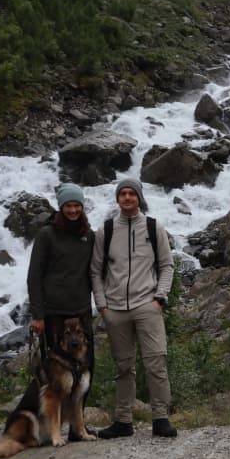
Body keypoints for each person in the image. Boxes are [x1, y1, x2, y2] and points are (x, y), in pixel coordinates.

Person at [90, 177, 177, 438]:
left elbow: (167, 265)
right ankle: (123, 421)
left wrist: (159, 298)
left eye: (131, 194)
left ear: (139, 198)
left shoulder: (153, 227)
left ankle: (161, 418)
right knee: (123, 367)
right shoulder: (105, 231)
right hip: (115, 309)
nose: (127, 198)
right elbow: (95, 271)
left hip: (146, 305)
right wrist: (102, 306)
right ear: (118, 198)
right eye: (123, 194)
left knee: (156, 363)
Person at [27, 182, 95, 440]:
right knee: (55, 379)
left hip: (81, 311)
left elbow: (97, 269)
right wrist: (37, 314)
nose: (73, 210)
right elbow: (34, 275)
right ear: (61, 207)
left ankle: (78, 428)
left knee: (86, 373)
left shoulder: (89, 235)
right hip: (54, 314)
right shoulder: (46, 235)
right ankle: (51, 430)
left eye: (77, 205)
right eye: (69, 205)